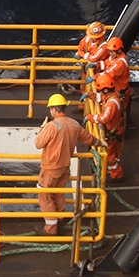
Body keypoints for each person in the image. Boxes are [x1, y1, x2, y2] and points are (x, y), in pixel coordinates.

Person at [35, 94, 102, 235]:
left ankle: (50, 229)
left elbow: (38, 144)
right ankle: (60, 221)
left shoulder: (51, 126)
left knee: (45, 195)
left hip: (50, 168)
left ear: (53, 109)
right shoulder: (74, 124)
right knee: (58, 194)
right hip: (65, 168)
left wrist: (42, 128)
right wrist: (101, 143)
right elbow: (88, 138)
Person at [84, 74, 125, 183]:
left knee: (110, 158)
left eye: (100, 90)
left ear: (106, 90)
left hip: (111, 133)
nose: (100, 93)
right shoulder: (113, 96)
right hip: (115, 131)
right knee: (114, 154)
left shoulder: (111, 103)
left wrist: (90, 117)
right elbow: (101, 98)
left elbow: (104, 118)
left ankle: (117, 176)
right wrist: (90, 95)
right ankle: (116, 170)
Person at [93, 37, 130, 112]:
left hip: (120, 91)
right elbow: (106, 63)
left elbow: (110, 73)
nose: (110, 54)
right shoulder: (113, 57)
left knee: (117, 113)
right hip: (115, 89)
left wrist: (95, 77)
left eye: (112, 52)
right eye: (109, 51)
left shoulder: (121, 63)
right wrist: (96, 64)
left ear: (119, 50)